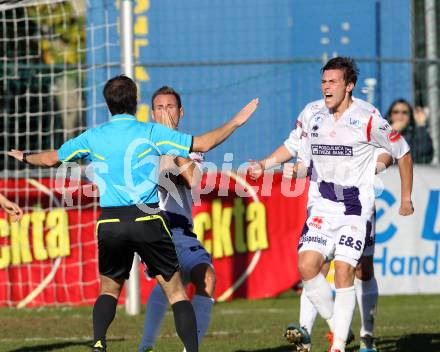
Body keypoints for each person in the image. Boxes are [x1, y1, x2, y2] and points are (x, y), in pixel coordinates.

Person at [8, 75, 259, 352]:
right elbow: (204, 143)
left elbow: (52, 158)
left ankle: (99, 342)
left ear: (108, 105)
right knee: (176, 293)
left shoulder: (94, 136)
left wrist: (25, 156)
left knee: (108, 289)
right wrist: (235, 122)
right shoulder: (150, 133)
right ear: (136, 103)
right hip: (147, 220)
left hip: (111, 221)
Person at [248, 97, 391, 352]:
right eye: (325, 81)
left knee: (361, 270)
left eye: (333, 81)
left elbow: (388, 147)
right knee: (312, 266)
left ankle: (367, 336)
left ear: (348, 84)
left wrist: (378, 165)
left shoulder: (366, 113)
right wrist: (264, 164)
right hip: (322, 206)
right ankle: (310, 332)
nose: (327, 87)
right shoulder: (312, 112)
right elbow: (294, 146)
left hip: (356, 205)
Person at [138, 86, 216, 352]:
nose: (165, 113)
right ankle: (147, 344)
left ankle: (151, 347)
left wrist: (173, 141)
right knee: (172, 283)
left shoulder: (192, 146)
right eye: (159, 108)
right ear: (151, 113)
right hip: (154, 227)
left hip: (182, 230)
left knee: (203, 280)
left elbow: (193, 179)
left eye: (170, 107)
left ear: (180, 112)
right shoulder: (142, 147)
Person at [386, 98, 433, 164]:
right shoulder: (381, 131)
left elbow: (424, 153)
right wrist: (391, 133)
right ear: (390, 116)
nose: (400, 116)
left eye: (404, 112)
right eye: (396, 112)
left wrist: (421, 125)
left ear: (410, 116)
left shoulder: (416, 133)